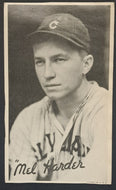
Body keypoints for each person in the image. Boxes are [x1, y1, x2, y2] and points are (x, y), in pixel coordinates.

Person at [9, 13, 109, 183]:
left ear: (86, 64)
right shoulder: (28, 120)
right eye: (40, 62)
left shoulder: (106, 110)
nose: (47, 74)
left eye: (59, 59)